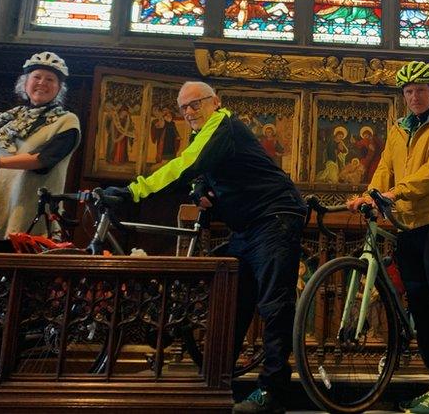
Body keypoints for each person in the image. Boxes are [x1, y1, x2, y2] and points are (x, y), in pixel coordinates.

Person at [103, 81, 305, 414]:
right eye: (184, 108)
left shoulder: (223, 124)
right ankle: (215, 383)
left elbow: (187, 165)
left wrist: (134, 191)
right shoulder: (203, 135)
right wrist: (200, 191)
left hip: (275, 217)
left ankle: (274, 392)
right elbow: (202, 173)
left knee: (274, 305)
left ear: (215, 102)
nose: (189, 112)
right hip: (246, 226)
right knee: (232, 306)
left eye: (196, 104)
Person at [347, 61, 429, 414]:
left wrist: (394, 193)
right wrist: (369, 194)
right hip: (406, 225)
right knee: (419, 304)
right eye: (408, 92)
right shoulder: (399, 128)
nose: (414, 97)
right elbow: (384, 166)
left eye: (420, 90)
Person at [0, 52, 81, 253]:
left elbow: (42, 160)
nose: (42, 83)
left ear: (59, 88)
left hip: (28, 220)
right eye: (36, 77)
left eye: (50, 79)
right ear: (25, 82)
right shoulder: (7, 121)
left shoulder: (66, 121)